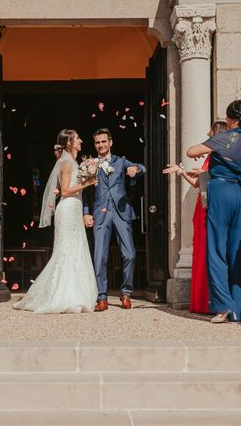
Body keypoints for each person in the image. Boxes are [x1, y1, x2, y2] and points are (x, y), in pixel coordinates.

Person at [187, 100, 241, 323]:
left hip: (221, 192)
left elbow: (191, 151)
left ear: (231, 119)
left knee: (217, 248)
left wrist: (216, 151)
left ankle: (223, 306)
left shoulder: (225, 137)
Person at [14, 129, 98, 313]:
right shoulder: (66, 163)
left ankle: (77, 293)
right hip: (67, 209)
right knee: (66, 250)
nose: (81, 141)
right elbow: (65, 191)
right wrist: (87, 183)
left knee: (76, 249)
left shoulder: (73, 162)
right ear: (69, 142)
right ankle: (63, 295)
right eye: (77, 138)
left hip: (74, 209)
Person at [163, 121, 227, 314]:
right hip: (203, 204)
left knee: (210, 250)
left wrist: (202, 172)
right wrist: (182, 171)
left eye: (210, 132)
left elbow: (209, 178)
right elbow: (197, 184)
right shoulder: (211, 157)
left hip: (213, 205)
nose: (207, 134)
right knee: (201, 248)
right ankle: (202, 299)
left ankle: (211, 299)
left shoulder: (220, 157)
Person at [83, 128, 146, 311]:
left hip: (121, 212)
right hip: (100, 213)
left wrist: (136, 169)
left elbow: (142, 168)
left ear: (110, 142)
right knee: (99, 256)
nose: (101, 145)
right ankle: (101, 296)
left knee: (130, 254)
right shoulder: (89, 164)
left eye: (104, 141)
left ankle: (126, 292)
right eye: (97, 142)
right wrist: (86, 212)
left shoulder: (121, 162)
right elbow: (86, 192)